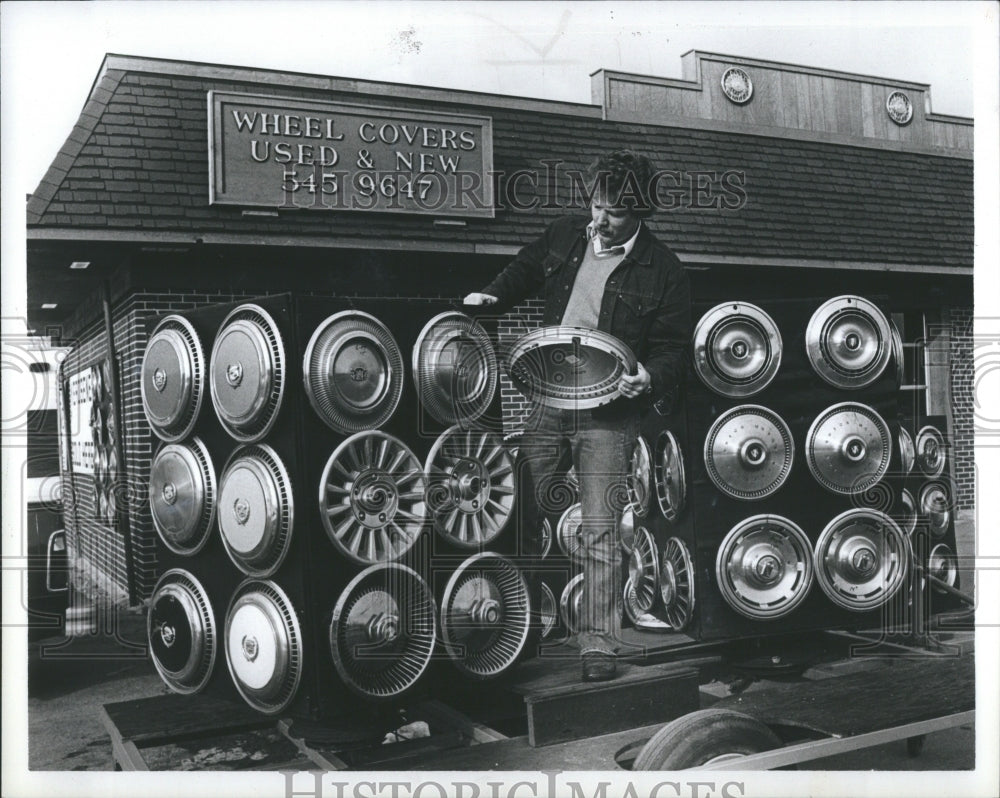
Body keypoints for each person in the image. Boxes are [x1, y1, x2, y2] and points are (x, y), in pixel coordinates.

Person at [464, 149, 691, 682]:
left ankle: (598, 645)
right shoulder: (565, 235)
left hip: (610, 414)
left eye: (612, 213)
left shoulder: (665, 271)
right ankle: (508, 629)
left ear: (639, 212)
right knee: (513, 510)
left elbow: (675, 349)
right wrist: (491, 294)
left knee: (601, 532)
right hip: (548, 400)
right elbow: (523, 270)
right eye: (594, 206)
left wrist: (650, 377)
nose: (598, 220)